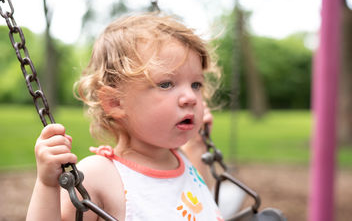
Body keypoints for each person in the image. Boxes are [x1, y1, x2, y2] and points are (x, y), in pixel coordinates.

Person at [26, 13, 224, 221]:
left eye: (196, 84)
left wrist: (197, 145)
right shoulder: (100, 175)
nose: (191, 97)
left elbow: (203, 204)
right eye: (166, 84)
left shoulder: (184, 160)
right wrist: (47, 185)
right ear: (115, 103)